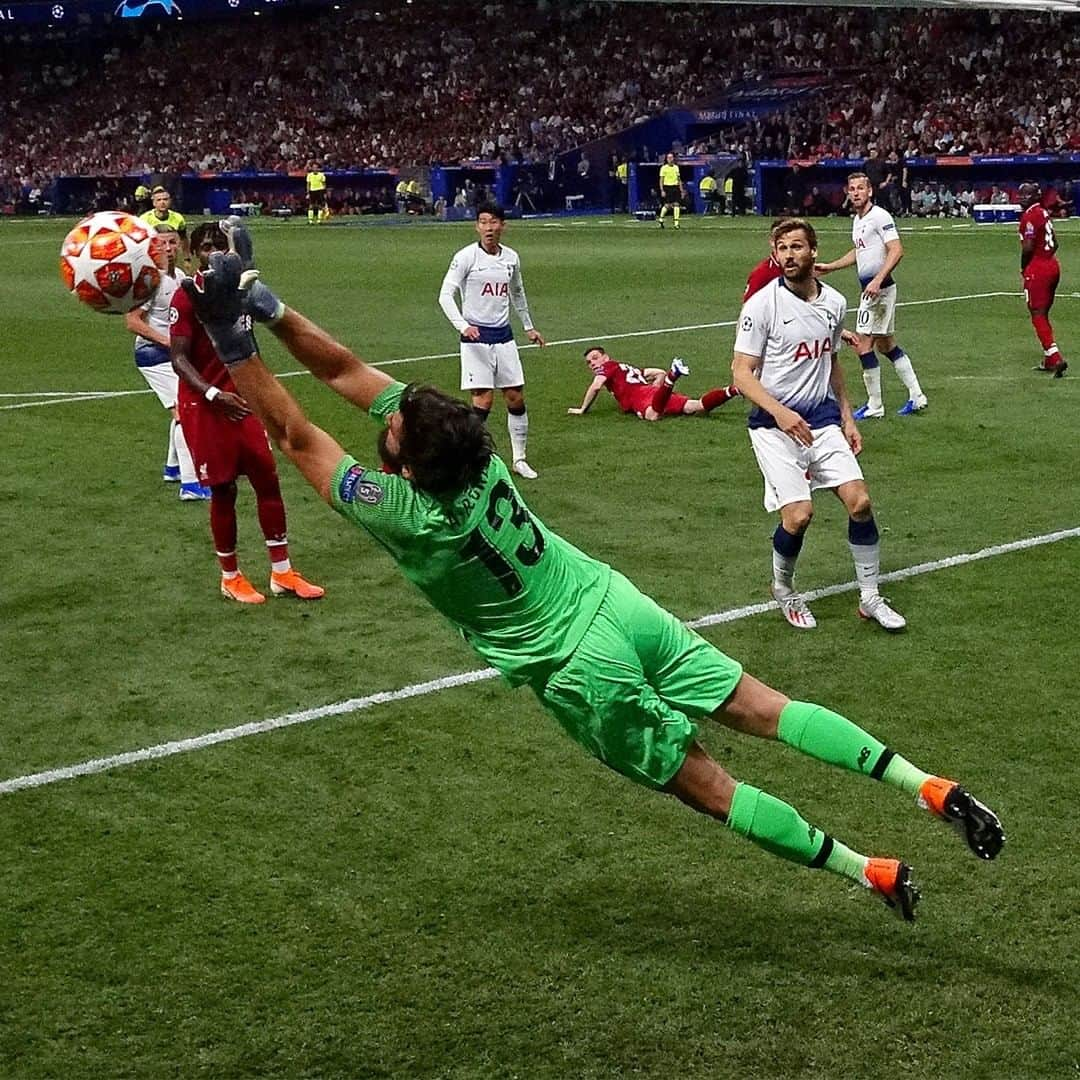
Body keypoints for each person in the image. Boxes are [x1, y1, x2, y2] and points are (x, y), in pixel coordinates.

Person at [177, 225, 1004, 924]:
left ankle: (871, 872)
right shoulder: (476, 453)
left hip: (581, 669)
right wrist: (269, 307)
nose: (380, 430)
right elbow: (347, 375)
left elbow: (296, 435)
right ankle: (923, 782)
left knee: (712, 787)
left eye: (387, 439)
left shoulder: (405, 514)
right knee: (767, 708)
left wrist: (230, 339)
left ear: (404, 464)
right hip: (616, 601)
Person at [733, 217, 906, 634]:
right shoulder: (761, 305)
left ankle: (870, 597)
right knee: (798, 516)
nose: (788, 255)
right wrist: (780, 412)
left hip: (822, 420)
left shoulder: (833, 303)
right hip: (774, 427)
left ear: (813, 251)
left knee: (860, 502)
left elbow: (831, 362)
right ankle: (784, 588)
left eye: (796, 247)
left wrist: (847, 417)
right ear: (774, 255)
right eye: (782, 248)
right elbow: (741, 373)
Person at [169, 221, 325, 604]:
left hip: (245, 401)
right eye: (205, 246)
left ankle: (283, 572)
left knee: (267, 481)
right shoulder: (188, 296)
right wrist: (211, 394)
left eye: (219, 245)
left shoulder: (242, 292)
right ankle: (230, 576)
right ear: (192, 252)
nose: (212, 252)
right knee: (223, 490)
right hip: (206, 405)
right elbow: (178, 358)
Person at [438, 202, 546, 480]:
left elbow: (517, 293)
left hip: (504, 336)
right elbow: (445, 296)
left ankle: (519, 459)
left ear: (502, 226)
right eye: (483, 222)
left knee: (515, 397)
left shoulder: (511, 258)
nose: (489, 227)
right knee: (482, 402)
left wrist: (529, 327)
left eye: (494, 222)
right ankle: (468, 459)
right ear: (477, 226)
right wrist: (463, 326)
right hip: (476, 340)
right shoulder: (465, 257)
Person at [815, 172, 928, 418]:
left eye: (860, 188)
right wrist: (830, 266)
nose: (855, 192)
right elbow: (859, 252)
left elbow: (896, 250)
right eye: (852, 188)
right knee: (887, 345)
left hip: (880, 289)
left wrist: (877, 280)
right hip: (873, 288)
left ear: (870, 192)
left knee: (863, 345)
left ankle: (875, 406)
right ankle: (917, 396)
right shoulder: (858, 220)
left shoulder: (879, 216)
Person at [122, 226, 210, 501]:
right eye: (161, 244)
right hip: (153, 355)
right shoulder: (150, 281)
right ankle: (191, 484)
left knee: (183, 405)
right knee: (185, 413)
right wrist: (168, 342)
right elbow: (132, 322)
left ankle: (172, 468)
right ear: (152, 248)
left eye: (173, 243)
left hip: (173, 354)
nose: (168, 248)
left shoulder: (180, 277)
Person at [568, 348, 740, 420]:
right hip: (651, 393)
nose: (593, 364)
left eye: (595, 358)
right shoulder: (625, 368)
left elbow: (596, 386)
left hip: (640, 396)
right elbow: (658, 372)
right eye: (589, 363)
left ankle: (673, 376)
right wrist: (657, 391)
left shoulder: (607, 367)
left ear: (606, 357)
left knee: (653, 416)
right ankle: (734, 389)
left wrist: (582, 409)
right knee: (698, 407)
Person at [1018, 182, 1067, 377]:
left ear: (1035, 197)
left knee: (1037, 313)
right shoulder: (1044, 213)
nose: (1021, 198)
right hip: (1052, 264)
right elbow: (1055, 242)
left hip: (1039, 268)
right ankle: (1048, 358)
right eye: (1020, 195)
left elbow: (1028, 247)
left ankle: (1055, 357)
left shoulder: (1030, 216)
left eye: (1026, 195)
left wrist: (1025, 267)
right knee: (1043, 312)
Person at [140, 186, 190, 270]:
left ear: (170, 201)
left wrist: (186, 258)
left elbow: (184, 239)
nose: (162, 202)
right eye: (159, 200)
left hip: (171, 258)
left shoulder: (178, 218)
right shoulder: (144, 220)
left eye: (165, 199)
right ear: (154, 203)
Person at [657, 152, 684, 229]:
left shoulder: (676, 167)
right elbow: (661, 180)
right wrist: (662, 190)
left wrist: (681, 190)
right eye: (669, 158)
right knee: (667, 205)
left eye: (671, 157)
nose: (670, 159)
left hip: (675, 187)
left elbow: (679, 180)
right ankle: (661, 219)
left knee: (677, 204)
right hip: (667, 187)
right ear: (666, 159)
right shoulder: (663, 168)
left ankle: (676, 223)